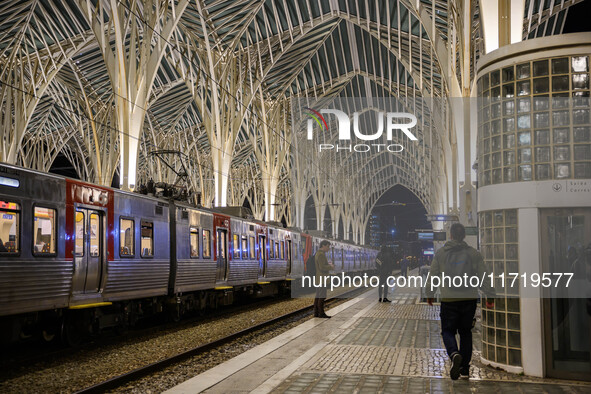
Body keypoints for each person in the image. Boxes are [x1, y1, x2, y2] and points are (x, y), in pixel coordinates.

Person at [425, 223, 495, 380]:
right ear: (463, 236)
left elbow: (432, 276)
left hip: (449, 300)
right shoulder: (473, 254)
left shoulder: (441, 254)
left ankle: (454, 353)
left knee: (448, 331)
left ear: (450, 235)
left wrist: (429, 294)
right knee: (465, 333)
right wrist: (490, 296)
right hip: (468, 300)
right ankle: (464, 369)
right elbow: (484, 276)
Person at [314, 240, 335, 318]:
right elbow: (322, 267)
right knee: (322, 296)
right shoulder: (321, 255)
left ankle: (316, 313)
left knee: (318, 296)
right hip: (322, 278)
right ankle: (321, 313)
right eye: (328, 246)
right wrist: (330, 267)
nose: (328, 248)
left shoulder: (318, 253)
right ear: (323, 245)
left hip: (319, 278)